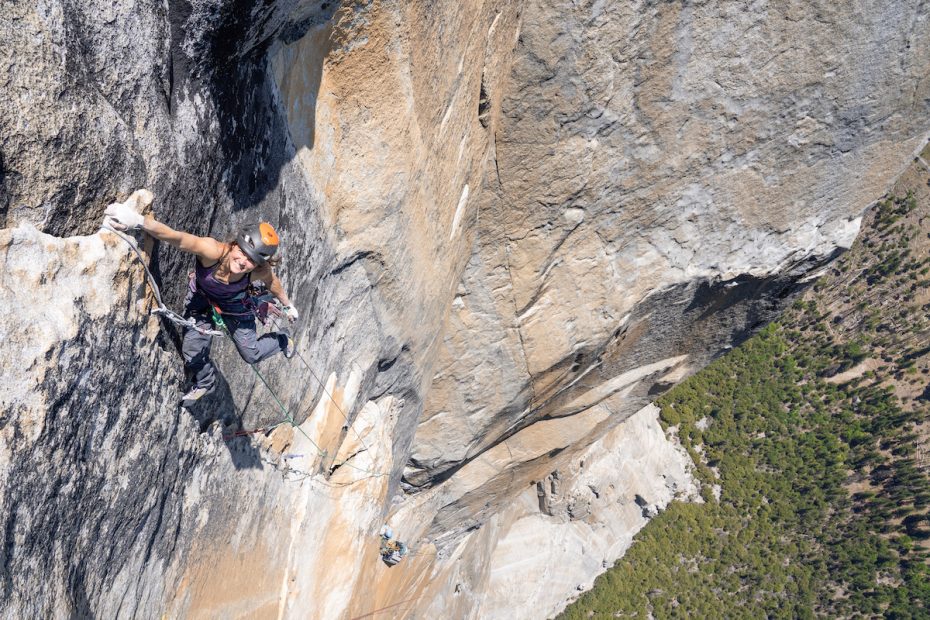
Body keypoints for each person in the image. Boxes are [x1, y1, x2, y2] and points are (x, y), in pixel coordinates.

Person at [104, 197, 299, 407]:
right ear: (234, 245)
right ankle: (206, 382)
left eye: (251, 260)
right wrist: (139, 220)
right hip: (201, 299)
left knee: (251, 355)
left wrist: (287, 305)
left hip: (235, 307)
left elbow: (273, 283)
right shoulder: (212, 251)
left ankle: (282, 340)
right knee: (192, 351)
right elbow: (178, 238)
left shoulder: (259, 271)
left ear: (258, 264)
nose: (243, 262)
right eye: (242, 252)